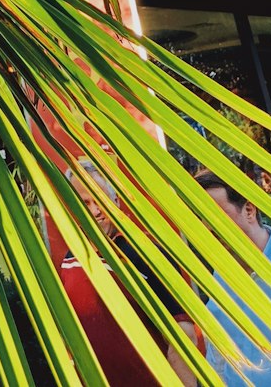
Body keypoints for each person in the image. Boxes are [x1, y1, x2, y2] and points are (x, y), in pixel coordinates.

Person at [60, 157, 197, 385]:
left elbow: (182, 337)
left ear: (115, 201)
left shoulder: (146, 253)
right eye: (84, 203)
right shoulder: (69, 260)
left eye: (99, 200)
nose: (95, 211)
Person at [196, 170, 271, 383]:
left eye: (216, 215)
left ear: (249, 210)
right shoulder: (220, 278)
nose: (208, 228)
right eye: (202, 218)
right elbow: (218, 359)